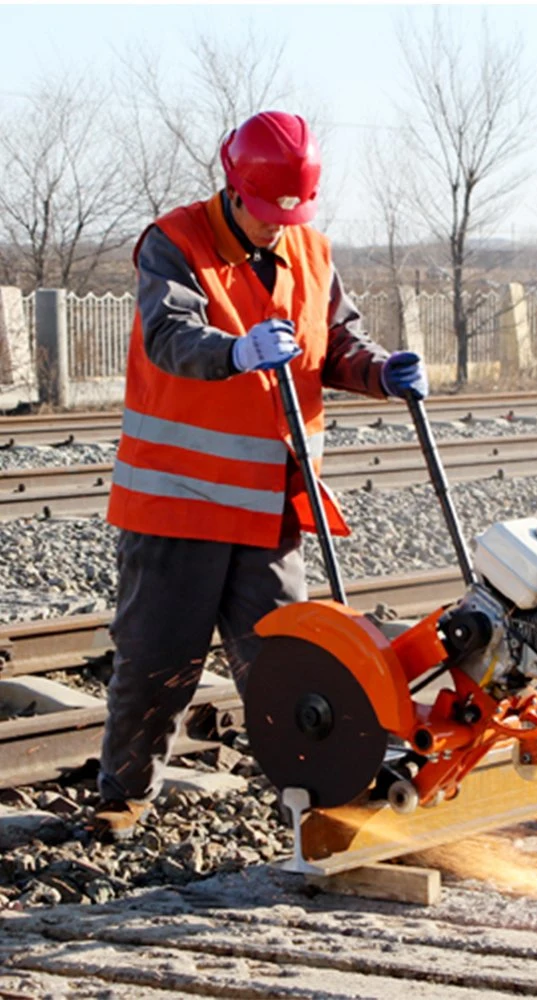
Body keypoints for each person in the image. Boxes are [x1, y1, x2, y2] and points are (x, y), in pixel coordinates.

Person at [93, 110, 428, 841]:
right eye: (269, 211)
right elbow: (168, 336)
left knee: (294, 667)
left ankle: (322, 799)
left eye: (292, 213)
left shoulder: (309, 249)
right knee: (157, 667)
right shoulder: (174, 244)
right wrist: (235, 351)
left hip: (270, 507)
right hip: (178, 505)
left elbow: (336, 343)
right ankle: (122, 797)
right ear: (234, 187)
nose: (280, 227)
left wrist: (380, 372)